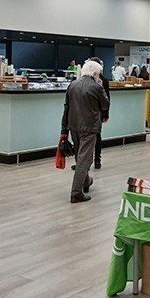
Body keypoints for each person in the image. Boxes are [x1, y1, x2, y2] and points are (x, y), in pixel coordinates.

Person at [62, 60, 109, 203]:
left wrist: (64, 129)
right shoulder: (96, 87)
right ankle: (76, 193)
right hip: (89, 127)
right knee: (84, 159)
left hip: (73, 126)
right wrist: (101, 87)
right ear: (94, 73)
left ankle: (86, 181)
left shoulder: (73, 85)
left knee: (80, 156)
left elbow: (66, 107)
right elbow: (105, 105)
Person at [72, 57, 110, 170]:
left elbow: (106, 99)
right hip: (90, 113)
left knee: (94, 137)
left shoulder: (102, 81)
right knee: (91, 137)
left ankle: (95, 160)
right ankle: (84, 161)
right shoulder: (83, 80)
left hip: (94, 113)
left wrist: (105, 114)